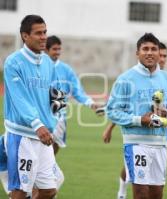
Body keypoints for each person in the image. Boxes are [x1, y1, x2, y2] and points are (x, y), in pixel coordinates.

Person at [106, 33, 167, 199]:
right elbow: (112, 111)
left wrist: (165, 114)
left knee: (157, 194)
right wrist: (140, 120)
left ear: (158, 53)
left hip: (160, 145)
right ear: (137, 53)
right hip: (136, 144)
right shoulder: (125, 79)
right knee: (140, 194)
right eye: (145, 49)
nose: (149, 52)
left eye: (153, 49)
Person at [3, 15, 59, 199]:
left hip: (43, 135)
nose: (43, 37)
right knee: (19, 192)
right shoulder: (13, 62)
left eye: (45, 32)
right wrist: (37, 123)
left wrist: (55, 113)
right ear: (25, 36)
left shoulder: (48, 63)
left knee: (49, 190)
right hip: (22, 136)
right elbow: (20, 98)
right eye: (38, 33)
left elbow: (55, 92)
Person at [45, 35, 100, 155]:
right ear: (46, 49)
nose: (58, 52)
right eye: (54, 49)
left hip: (59, 115)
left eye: (59, 49)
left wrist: (90, 103)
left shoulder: (66, 69)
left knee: (54, 146)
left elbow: (77, 90)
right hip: (41, 113)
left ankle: (47, 169)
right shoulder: (38, 66)